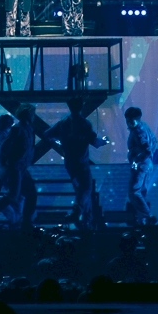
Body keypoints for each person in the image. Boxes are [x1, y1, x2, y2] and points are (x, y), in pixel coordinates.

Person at [44, 96, 109, 229]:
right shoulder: (85, 124)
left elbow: (47, 134)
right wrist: (105, 141)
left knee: (81, 191)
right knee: (86, 189)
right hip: (82, 163)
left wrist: (60, 142)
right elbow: (95, 142)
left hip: (69, 163)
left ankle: (86, 221)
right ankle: (78, 212)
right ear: (81, 106)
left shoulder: (63, 123)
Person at [0, 105, 44, 227]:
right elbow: (5, 146)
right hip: (16, 167)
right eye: (32, 114)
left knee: (21, 194)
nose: (34, 116)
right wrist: (6, 163)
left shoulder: (25, 129)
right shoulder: (19, 129)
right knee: (17, 195)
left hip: (20, 167)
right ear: (28, 115)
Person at [123, 105, 158, 227]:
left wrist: (137, 160)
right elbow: (154, 142)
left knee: (133, 192)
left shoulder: (138, 131)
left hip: (141, 165)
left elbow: (147, 150)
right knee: (141, 192)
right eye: (127, 120)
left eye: (130, 120)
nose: (128, 123)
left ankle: (148, 216)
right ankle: (143, 221)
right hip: (147, 164)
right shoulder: (144, 126)